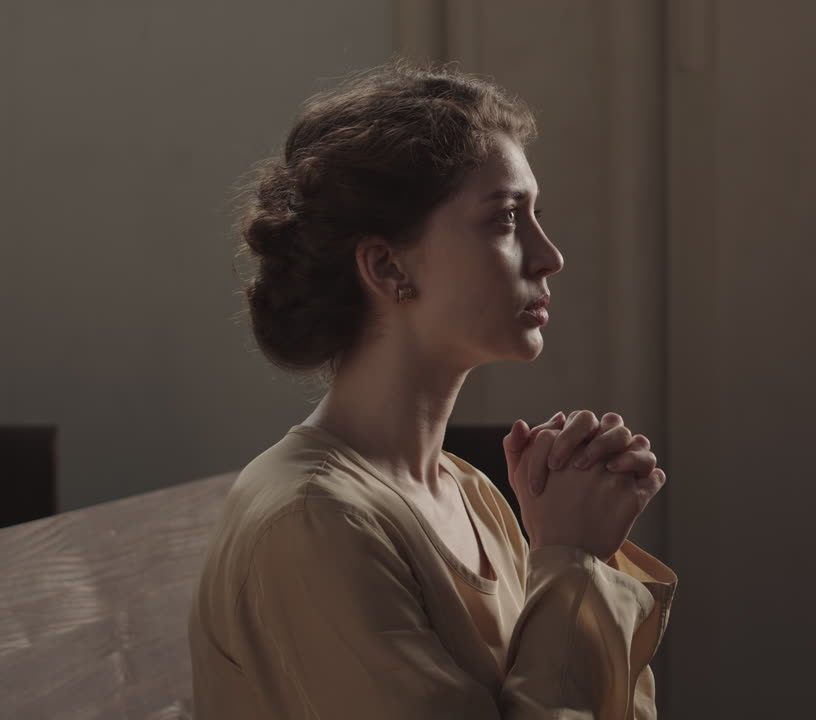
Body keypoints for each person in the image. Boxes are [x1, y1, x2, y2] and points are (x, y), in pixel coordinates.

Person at [187, 59, 676, 719]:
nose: (549, 254)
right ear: (387, 267)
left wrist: (576, 552)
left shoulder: (469, 494)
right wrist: (573, 558)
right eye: (506, 219)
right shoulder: (310, 522)